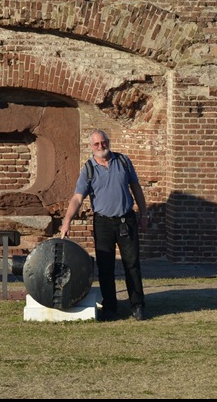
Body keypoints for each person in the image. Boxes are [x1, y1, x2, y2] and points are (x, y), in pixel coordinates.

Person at [59, 129, 149, 321]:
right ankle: (110, 307)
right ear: (91, 147)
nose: (101, 146)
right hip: (103, 223)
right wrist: (66, 221)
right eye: (97, 144)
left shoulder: (123, 161)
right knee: (105, 266)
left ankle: (137, 305)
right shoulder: (88, 169)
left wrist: (144, 214)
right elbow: (77, 198)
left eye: (103, 142)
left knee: (132, 265)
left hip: (126, 220)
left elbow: (136, 188)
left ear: (108, 141)